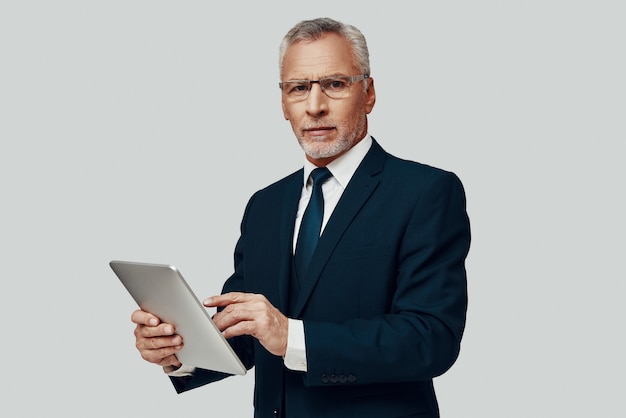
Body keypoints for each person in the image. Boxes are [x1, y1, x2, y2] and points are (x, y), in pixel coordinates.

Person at [131, 17, 471, 418]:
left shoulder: (425, 191)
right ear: (283, 104)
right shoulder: (265, 205)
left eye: (335, 84)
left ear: (370, 93)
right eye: (298, 88)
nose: (315, 105)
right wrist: (176, 351)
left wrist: (289, 335)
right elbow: (244, 336)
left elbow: (431, 340)